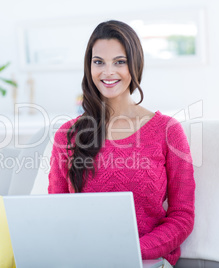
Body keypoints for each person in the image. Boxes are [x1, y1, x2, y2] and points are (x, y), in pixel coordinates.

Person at [48, 20, 195, 266]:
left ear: (135, 65)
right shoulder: (67, 135)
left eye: (119, 61)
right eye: (98, 62)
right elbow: (55, 212)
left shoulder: (168, 131)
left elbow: (182, 217)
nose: (108, 72)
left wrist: (131, 250)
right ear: (89, 66)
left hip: (145, 260)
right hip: (84, 260)